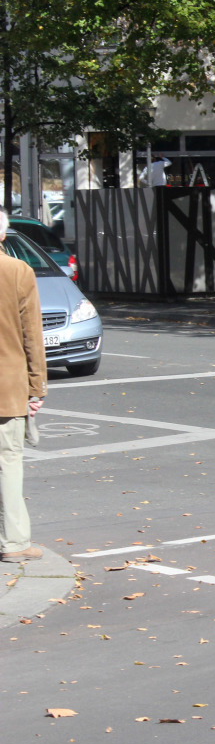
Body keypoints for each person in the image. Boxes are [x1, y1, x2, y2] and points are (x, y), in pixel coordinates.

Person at [0, 210, 47, 563]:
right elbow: (32, 336)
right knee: (8, 461)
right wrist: (37, 387)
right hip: (6, 386)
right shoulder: (18, 272)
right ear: (2, 235)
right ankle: (14, 542)